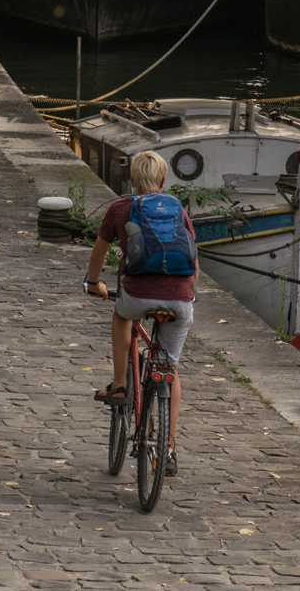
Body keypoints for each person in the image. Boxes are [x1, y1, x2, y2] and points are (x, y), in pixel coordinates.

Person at [84, 150, 196, 477]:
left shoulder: (120, 207)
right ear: (163, 181)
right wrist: (189, 296)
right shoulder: (176, 209)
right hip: (180, 298)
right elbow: (192, 258)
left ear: (131, 180)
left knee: (122, 316)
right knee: (169, 368)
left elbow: (98, 254)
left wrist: (94, 284)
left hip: (136, 294)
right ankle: (169, 449)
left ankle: (120, 384)